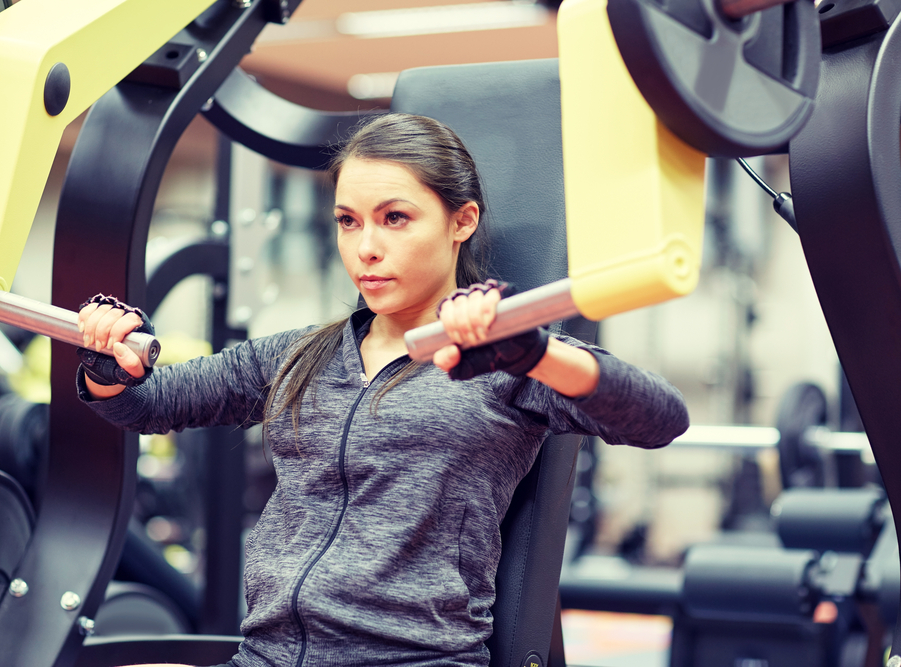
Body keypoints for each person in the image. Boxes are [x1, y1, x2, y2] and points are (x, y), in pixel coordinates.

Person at [75, 113, 689, 667]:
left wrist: (535, 352)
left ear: (462, 221)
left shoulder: (506, 358)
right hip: (267, 655)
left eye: (395, 218)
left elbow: (660, 418)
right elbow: (149, 403)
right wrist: (113, 367)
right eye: (348, 221)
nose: (365, 248)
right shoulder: (301, 355)